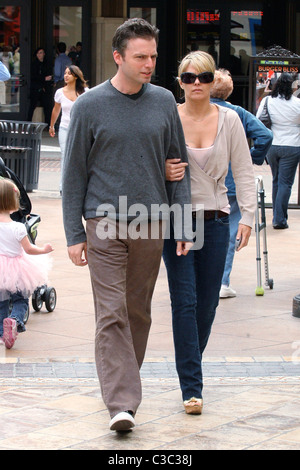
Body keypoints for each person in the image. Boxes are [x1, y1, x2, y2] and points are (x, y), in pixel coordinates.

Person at [62, 18, 192, 432]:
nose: (149, 63)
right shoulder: (89, 106)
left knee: (138, 312)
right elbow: (72, 175)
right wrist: (74, 234)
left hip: (151, 222)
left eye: (153, 56)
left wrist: (184, 223)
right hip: (104, 221)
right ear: (118, 57)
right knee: (111, 311)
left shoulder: (164, 101)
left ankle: (124, 391)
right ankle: (121, 402)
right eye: (140, 56)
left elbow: (178, 164)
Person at [164, 51, 256, 415]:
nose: (196, 84)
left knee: (208, 303)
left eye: (202, 77)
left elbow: (245, 170)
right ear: (180, 82)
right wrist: (164, 171)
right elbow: (149, 161)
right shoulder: (168, 116)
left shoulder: (230, 120)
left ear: (212, 80)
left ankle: (190, 363)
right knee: (184, 303)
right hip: (177, 221)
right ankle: (192, 387)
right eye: (188, 78)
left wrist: (247, 215)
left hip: (216, 221)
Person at [209, 69, 273, 298]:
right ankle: (222, 281)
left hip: (205, 181)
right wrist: (252, 156)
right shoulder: (238, 113)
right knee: (229, 232)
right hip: (232, 181)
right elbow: (265, 135)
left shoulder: (199, 111)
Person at [0, 178, 53, 349]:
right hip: (17, 269)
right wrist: (44, 250)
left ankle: (2, 333)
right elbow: (29, 249)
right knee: (20, 300)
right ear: (13, 204)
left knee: (1, 302)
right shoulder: (18, 228)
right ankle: (14, 321)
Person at [257, 72, 300, 229]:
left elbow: (258, 118)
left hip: (273, 145)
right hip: (293, 145)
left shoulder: (268, 100)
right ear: (292, 86)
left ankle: (278, 215)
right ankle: (279, 219)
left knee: (276, 180)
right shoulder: (297, 103)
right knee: (285, 183)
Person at [49, 65, 88, 193]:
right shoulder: (60, 92)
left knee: (81, 157)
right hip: (65, 128)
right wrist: (52, 125)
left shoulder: (86, 92)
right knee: (65, 155)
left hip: (80, 129)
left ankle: (80, 185)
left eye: (69, 74)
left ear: (76, 76)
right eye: (65, 73)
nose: (66, 76)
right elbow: (56, 110)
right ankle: (63, 187)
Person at [27, 48, 53, 126]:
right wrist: (44, 78)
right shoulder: (34, 64)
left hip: (45, 88)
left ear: (44, 54)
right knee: (32, 106)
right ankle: (28, 123)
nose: (39, 55)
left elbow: (49, 74)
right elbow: (33, 76)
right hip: (36, 88)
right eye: (38, 53)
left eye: (41, 53)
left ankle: (49, 125)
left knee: (47, 107)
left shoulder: (47, 64)